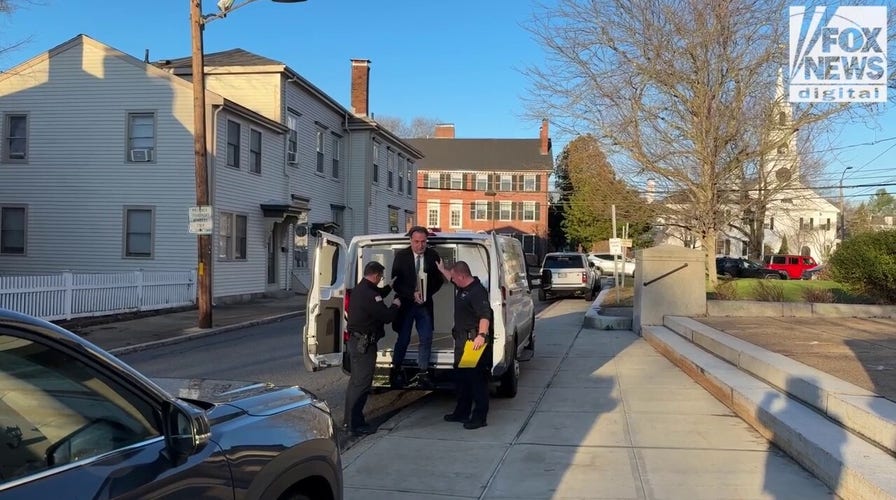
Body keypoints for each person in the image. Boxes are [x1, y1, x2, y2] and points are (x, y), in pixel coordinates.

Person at [344, 260, 401, 436]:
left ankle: (350, 421)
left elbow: (378, 293)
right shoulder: (370, 294)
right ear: (376, 275)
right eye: (381, 277)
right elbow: (387, 316)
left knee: (355, 383)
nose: (381, 279)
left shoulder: (361, 289)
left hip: (356, 342)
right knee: (362, 384)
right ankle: (355, 425)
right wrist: (396, 304)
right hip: (364, 345)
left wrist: (390, 287)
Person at [437, 259, 492, 430]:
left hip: (473, 343)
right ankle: (461, 412)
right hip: (462, 342)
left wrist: (481, 335)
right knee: (462, 379)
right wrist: (442, 269)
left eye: (454, 277)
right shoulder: (463, 287)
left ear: (461, 276)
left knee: (476, 381)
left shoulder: (477, 292)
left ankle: (479, 417)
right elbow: (451, 276)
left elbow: (485, 315)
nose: (452, 280)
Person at [390, 226, 444, 388]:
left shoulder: (432, 255)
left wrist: (426, 293)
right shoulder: (401, 256)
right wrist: (412, 294)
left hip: (424, 305)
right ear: (411, 241)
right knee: (404, 338)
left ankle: (423, 372)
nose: (420, 245)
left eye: (423, 242)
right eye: (416, 242)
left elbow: (439, 280)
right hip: (406, 303)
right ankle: (396, 370)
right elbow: (395, 282)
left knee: (426, 338)